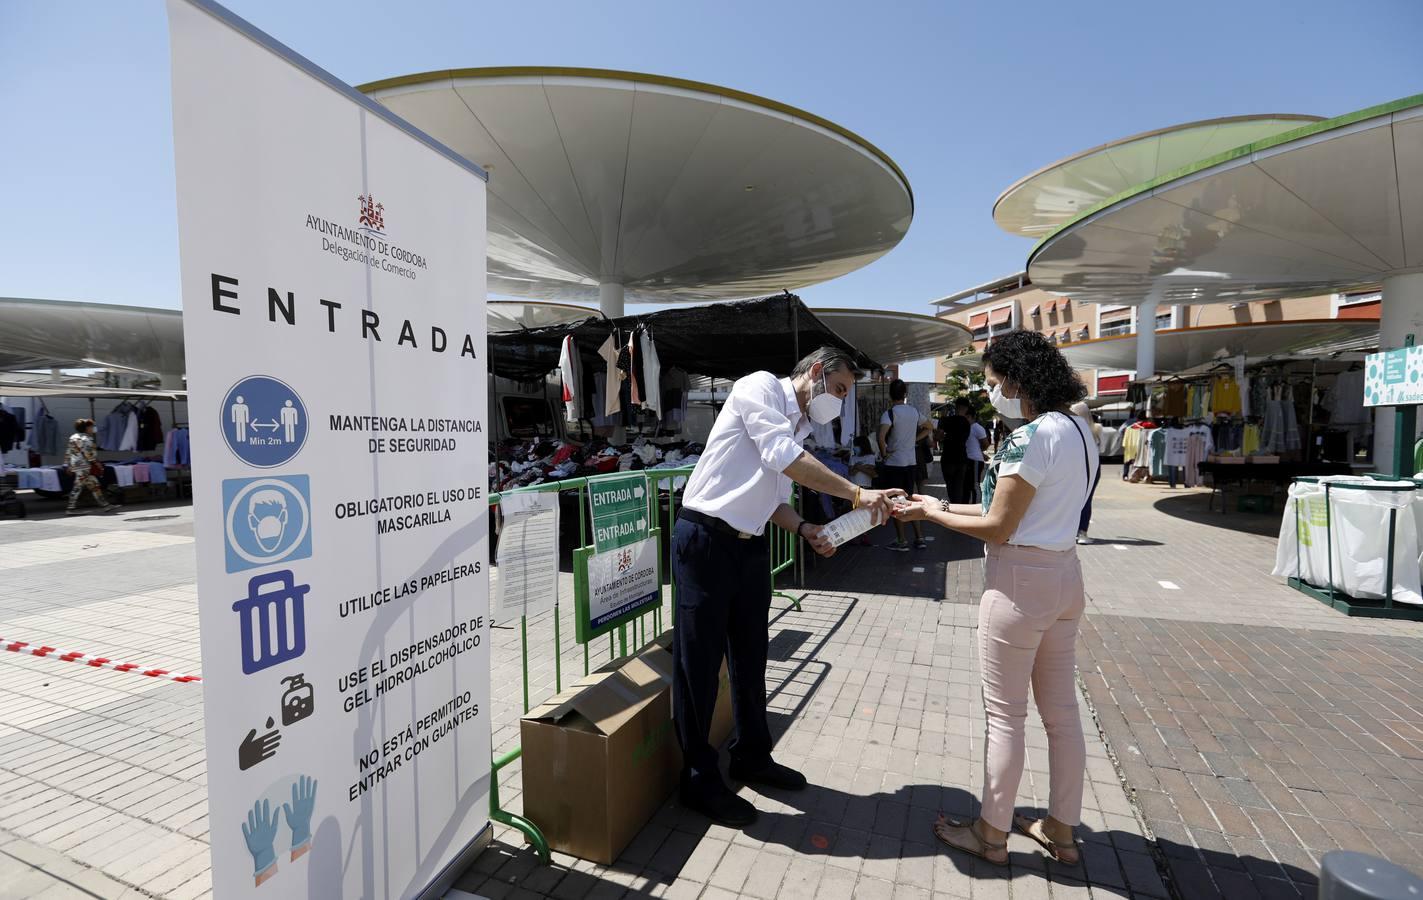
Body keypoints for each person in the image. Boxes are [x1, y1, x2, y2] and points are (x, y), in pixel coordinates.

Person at [674, 347, 903, 827]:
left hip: (750, 545)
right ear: (816, 373)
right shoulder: (758, 386)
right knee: (698, 664)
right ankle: (698, 779)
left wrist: (805, 530)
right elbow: (783, 458)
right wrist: (858, 493)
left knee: (751, 657)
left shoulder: (798, 426)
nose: (839, 402)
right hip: (707, 539)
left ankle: (752, 755)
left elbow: (778, 497)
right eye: (839, 390)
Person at [893, 329, 1097, 867]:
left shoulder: (1030, 437)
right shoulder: (1081, 430)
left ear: (1015, 379)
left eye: (992, 384)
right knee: (1062, 715)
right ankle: (1062, 829)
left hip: (1018, 584)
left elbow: (999, 528)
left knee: (1005, 716)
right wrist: (932, 505)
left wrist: (931, 513)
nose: (992, 395)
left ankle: (991, 834)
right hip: (1064, 577)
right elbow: (1008, 513)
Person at [877, 379, 933, 551]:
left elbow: (881, 437)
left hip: (895, 463)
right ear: (905, 394)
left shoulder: (889, 414)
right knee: (909, 499)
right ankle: (920, 537)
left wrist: (885, 453)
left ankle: (902, 540)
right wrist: (913, 440)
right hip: (911, 462)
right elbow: (929, 427)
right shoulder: (914, 411)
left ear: (890, 395)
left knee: (896, 502)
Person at [66, 418, 119, 516]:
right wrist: (97, 463)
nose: (93, 428)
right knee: (78, 487)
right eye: (91, 427)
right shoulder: (88, 439)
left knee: (94, 484)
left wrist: (68, 465)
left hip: (76, 465)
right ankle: (70, 508)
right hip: (84, 466)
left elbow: (69, 452)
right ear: (87, 428)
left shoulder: (73, 437)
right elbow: (88, 454)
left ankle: (105, 505)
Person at [1070, 401, 1103, 544]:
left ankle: (1072, 531)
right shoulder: (1097, 428)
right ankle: (1082, 532)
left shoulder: (1070, 427)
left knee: (1072, 500)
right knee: (1087, 499)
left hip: (1074, 466)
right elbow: (1101, 449)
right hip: (1093, 467)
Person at [938, 399, 972, 504]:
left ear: (956, 407)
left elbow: (938, 437)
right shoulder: (967, 423)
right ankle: (957, 507)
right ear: (966, 409)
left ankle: (953, 505)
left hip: (948, 457)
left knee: (950, 485)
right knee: (959, 486)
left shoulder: (946, 420)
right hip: (962, 457)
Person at [964, 402, 990, 504]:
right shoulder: (966, 427)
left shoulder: (976, 427)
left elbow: (986, 444)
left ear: (970, 416)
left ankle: (978, 505)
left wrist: (980, 452)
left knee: (975, 485)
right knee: (967, 485)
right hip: (968, 459)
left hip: (975, 460)